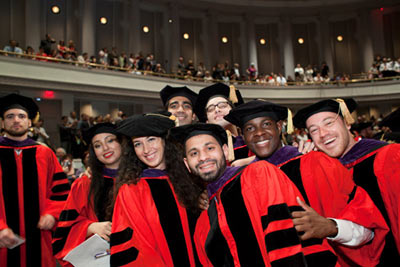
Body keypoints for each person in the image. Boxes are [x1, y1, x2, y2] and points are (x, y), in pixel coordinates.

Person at [224, 100, 388, 266]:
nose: (259, 133)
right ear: (243, 136)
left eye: (266, 124)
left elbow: (368, 230)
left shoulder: (316, 164)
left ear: (279, 126)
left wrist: (331, 227)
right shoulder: (241, 185)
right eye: (250, 128)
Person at [170, 123, 341, 266]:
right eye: (194, 153)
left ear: (225, 151)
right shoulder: (202, 225)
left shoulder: (259, 175)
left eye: (209, 148)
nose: (203, 157)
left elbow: (291, 237)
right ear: (187, 164)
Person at [293, 98, 400, 264]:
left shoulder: (389, 157)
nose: (323, 134)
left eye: (329, 123)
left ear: (347, 123)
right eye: (314, 130)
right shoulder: (320, 170)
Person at [109, 113, 201, 266]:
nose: (146, 149)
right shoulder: (131, 190)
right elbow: (137, 248)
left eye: (151, 139)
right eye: (138, 144)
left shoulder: (188, 178)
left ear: (165, 141)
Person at [0, 93, 70, 267]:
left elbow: (61, 191)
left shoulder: (44, 153)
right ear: (2, 122)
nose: (16, 120)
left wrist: (52, 214)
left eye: (21, 116)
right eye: (10, 116)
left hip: (40, 238)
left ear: (30, 122)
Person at [53, 123, 122, 266]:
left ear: (122, 143)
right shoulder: (84, 184)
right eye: (98, 145)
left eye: (110, 140)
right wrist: (89, 227)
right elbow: (64, 229)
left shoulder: (140, 181)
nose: (105, 148)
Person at [194, 82, 251, 163]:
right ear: (207, 121)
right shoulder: (204, 152)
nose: (217, 110)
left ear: (234, 112)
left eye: (223, 105)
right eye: (210, 109)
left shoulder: (251, 140)